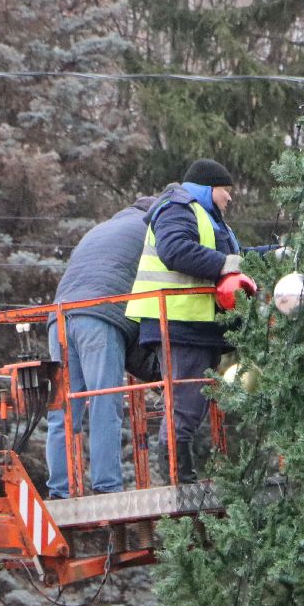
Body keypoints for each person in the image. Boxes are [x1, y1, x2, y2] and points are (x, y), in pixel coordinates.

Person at [125, 158, 256, 483]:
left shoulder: (209, 220)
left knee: (191, 403)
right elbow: (175, 250)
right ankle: (177, 477)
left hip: (195, 325)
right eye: (226, 190)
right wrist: (226, 265)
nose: (230, 198)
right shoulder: (177, 208)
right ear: (208, 189)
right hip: (179, 324)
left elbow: (235, 260)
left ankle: (180, 473)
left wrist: (274, 254)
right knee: (185, 403)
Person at [44, 194, 158, 499]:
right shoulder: (152, 230)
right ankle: (107, 488)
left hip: (59, 319)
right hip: (99, 317)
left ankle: (59, 491)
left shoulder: (100, 230)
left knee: (63, 410)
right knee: (104, 403)